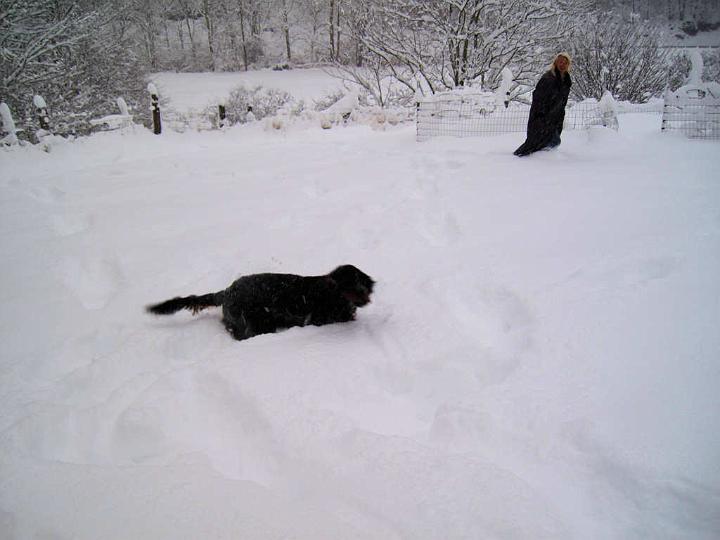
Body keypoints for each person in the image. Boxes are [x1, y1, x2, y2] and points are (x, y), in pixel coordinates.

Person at [514, 53, 572, 157]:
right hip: (543, 116)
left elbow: (563, 101)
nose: (562, 64)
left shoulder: (566, 81)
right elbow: (538, 97)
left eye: (565, 62)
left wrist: (559, 114)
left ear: (568, 65)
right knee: (546, 141)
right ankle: (540, 161)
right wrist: (542, 114)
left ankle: (542, 159)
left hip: (556, 117)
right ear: (555, 63)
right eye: (560, 62)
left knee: (549, 141)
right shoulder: (548, 78)